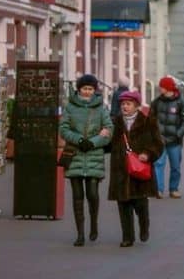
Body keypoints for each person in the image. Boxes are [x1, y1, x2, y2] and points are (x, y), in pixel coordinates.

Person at [59, 74, 114, 246]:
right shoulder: (70, 107)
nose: (88, 92)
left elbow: (109, 130)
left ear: (94, 90)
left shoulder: (101, 108)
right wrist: (79, 140)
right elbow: (63, 129)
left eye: (90, 89)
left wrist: (93, 142)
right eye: (85, 88)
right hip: (75, 154)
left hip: (94, 155)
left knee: (92, 193)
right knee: (77, 196)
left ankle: (94, 224)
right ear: (79, 89)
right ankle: (80, 233)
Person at [108, 90, 162, 247]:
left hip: (140, 171)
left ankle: (144, 226)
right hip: (120, 169)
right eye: (123, 104)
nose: (124, 107)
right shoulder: (116, 122)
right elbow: (109, 144)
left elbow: (158, 144)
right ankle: (127, 237)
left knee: (140, 203)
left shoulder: (147, 122)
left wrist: (148, 154)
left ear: (137, 106)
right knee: (123, 204)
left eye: (128, 104)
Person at [152, 76, 184, 199]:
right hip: (160, 140)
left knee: (175, 167)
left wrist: (178, 134)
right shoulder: (156, 102)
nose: (159, 88)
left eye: (161, 86)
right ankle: (159, 190)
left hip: (175, 141)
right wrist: (155, 135)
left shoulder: (181, 103)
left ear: (167, 88)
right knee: (158, 165)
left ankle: (173, 189)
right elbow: (151, 120)